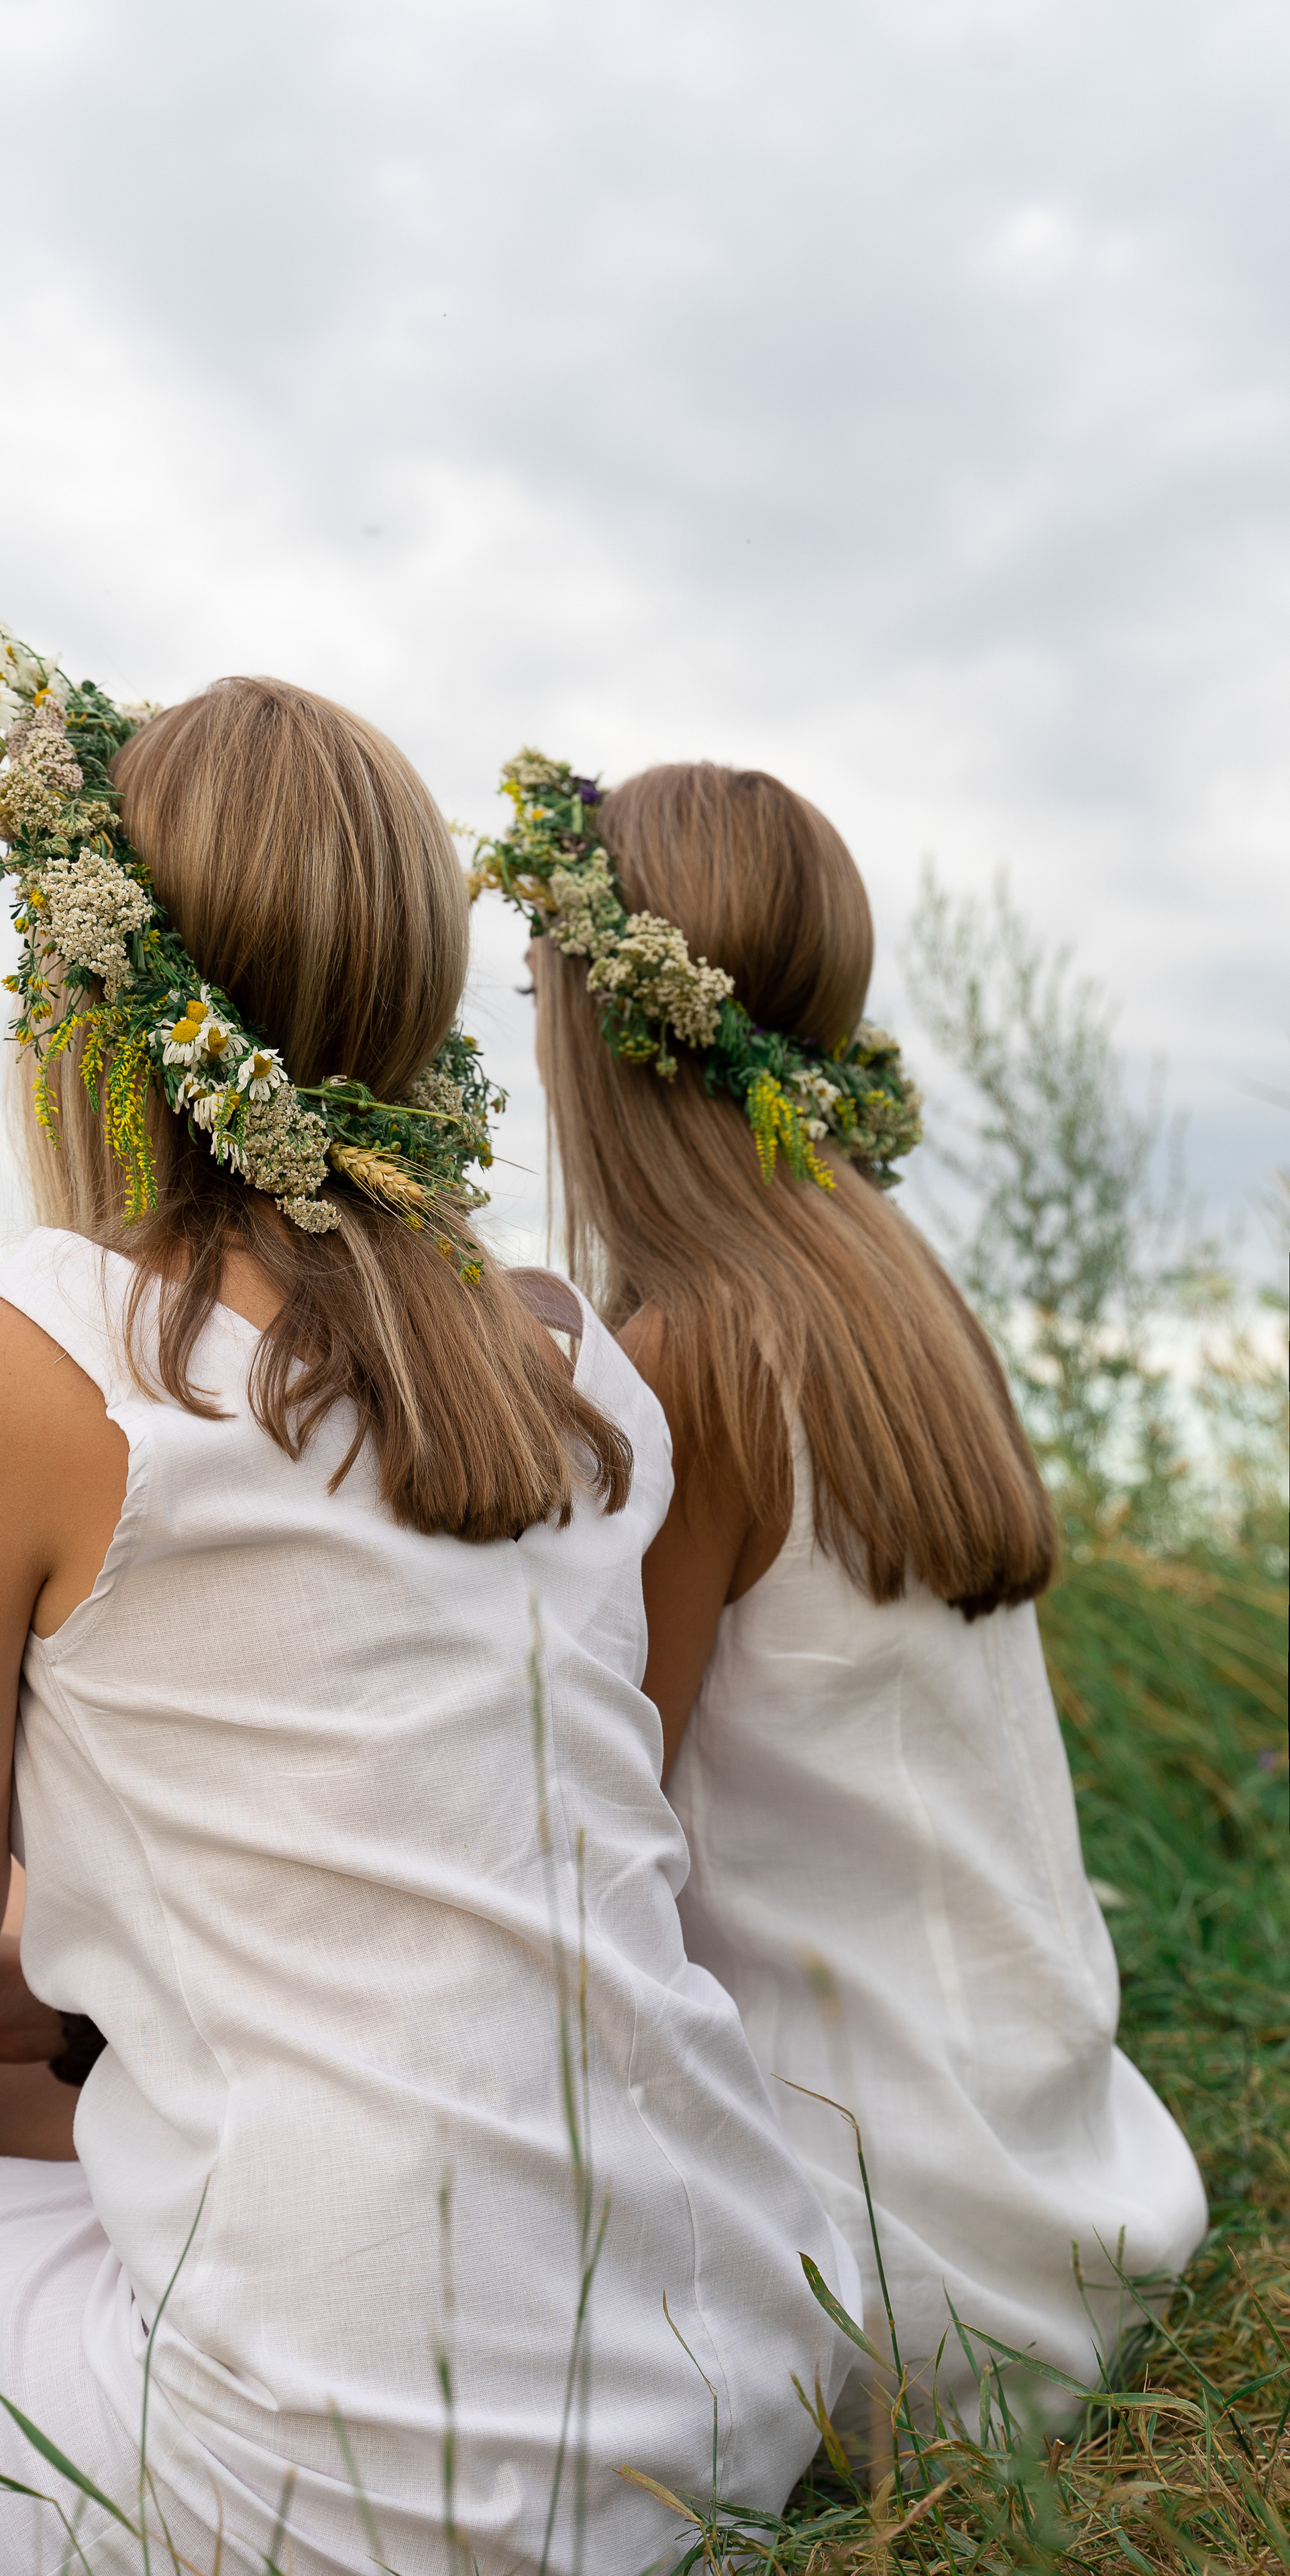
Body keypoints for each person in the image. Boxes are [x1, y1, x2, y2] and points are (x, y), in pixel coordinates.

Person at [0, 660, 860, 2575]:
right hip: (710, 2382)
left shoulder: (17, 1358)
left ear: (82, 1007)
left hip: (354, 2488)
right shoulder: (569, 1366)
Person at [494, 749, 1208, 2440]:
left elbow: (593, 1831)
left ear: (602, 1024)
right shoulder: (883, 1291)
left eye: (534, 990)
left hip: (884, 2283)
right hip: (1066, 2199)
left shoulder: (687, 1357)